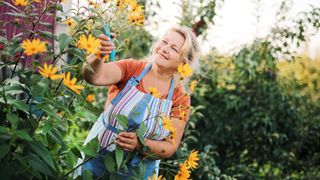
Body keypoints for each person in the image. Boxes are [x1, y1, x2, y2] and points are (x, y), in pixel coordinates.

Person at [79, 25, 200, 179]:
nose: (164, 48)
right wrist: (98, 54)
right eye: (164, 42)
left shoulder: (180, 97)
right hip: (96, 159)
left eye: (174, 49)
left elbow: (170, 147)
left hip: (138, 173)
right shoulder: (132, 68)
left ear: (184, 62)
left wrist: (140, 144)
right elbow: (94, 77)